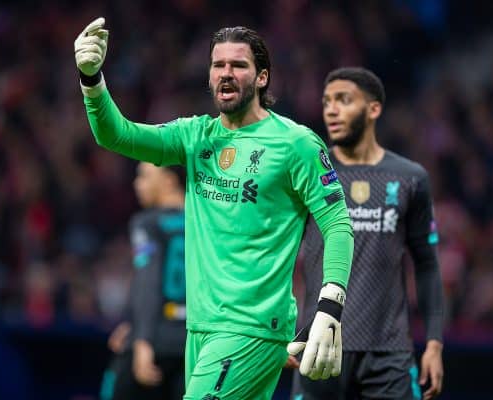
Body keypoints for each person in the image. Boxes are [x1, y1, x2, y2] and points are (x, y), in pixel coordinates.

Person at [75, 18, 354, 399]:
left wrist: (330, 306)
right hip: (201, 328)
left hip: (249, 328)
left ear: (261, 78)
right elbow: (116, 134)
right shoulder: (195, 137)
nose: (226, 73)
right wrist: (92, 81)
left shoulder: (296, 144)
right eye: (217, 65)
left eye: (238, 65)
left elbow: (337, 223)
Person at [290, 67, 444, 400]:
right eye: (327, 101)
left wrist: (434, 342)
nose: (331, 109)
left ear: (373, 109)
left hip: (389, 355)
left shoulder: (410, 178)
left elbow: (427, 265)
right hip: (320, 346)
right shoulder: (310, 172)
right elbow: (279, 256)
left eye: (343, 100)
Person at [100, 162, 187, 400]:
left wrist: (142, 339)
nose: (137, 184)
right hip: (192, 343)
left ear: (170, 180)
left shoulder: (148, 223)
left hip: (155, 340)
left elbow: (148, 279)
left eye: (145, 176)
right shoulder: (205, 224)